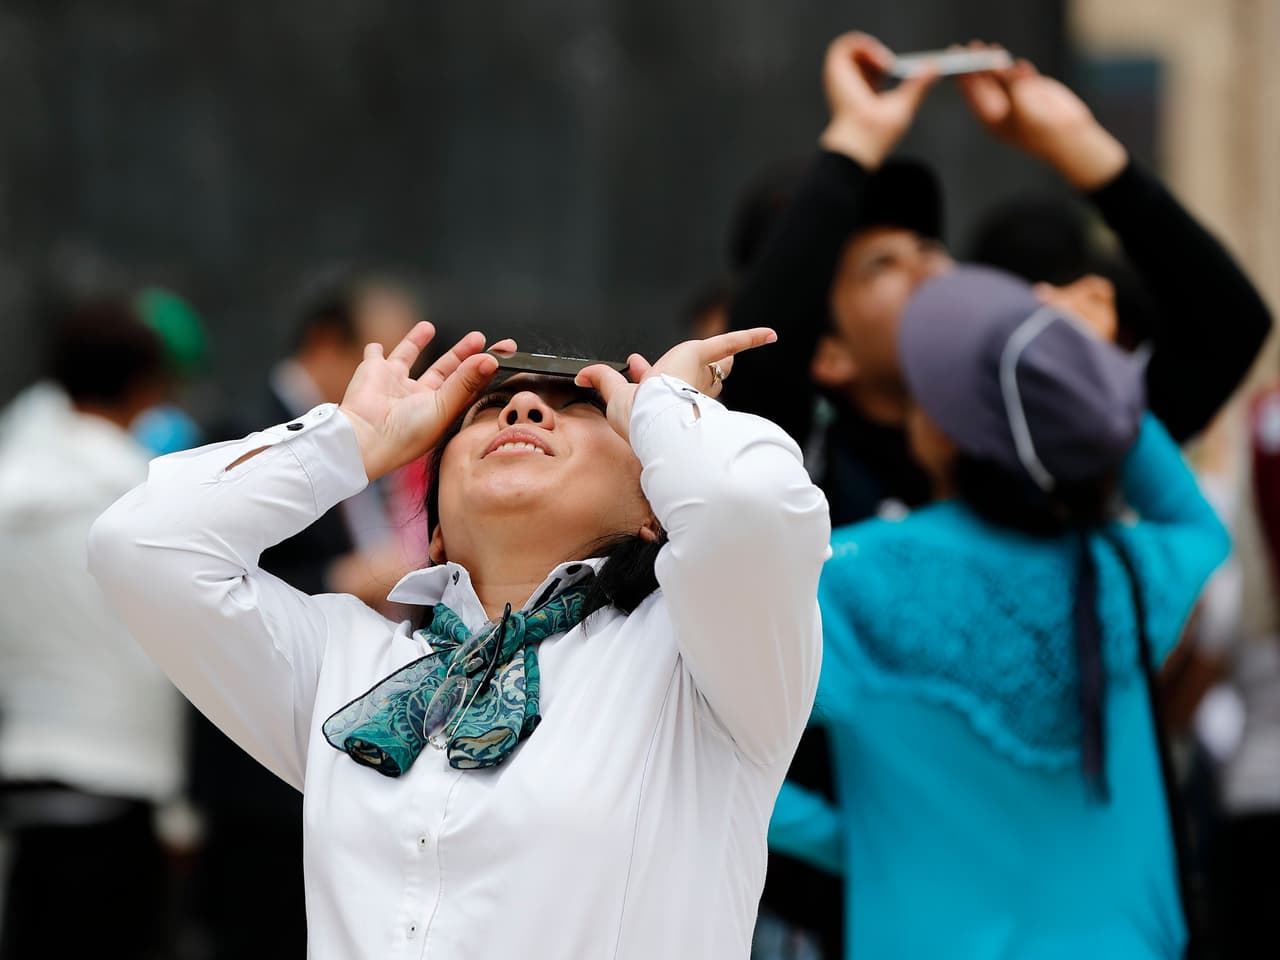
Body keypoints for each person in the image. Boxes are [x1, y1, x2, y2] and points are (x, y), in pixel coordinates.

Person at [88, 323, 830, 959]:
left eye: (581, 407)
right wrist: (344, 444)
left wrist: (670, 407)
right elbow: (141, 545)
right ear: (434, 525)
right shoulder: (349, 666)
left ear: (654, 505)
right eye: (484, 410)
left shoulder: (701, 667)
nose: (524, 406)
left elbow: (751, 508)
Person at [770, 265, 1230, 958]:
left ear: (948, 435)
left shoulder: (847, 577)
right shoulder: (1123, 571)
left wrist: (861, 842)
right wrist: (1088, 367)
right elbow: (1200, 526)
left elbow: (720, 745)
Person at [188, 268, 430, 959]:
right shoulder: (245, 428)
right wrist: (342, 577)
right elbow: (206, 573)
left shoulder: (358, 444)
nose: (401, 389)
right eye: (388, 358)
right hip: (255, 758)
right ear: (328, 345)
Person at [0, 301, 186, 959]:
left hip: (26, 771)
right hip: (123, 782)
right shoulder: (140, 497)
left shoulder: (11, 482)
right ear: (144, 388)